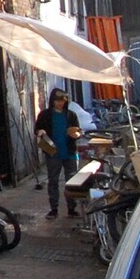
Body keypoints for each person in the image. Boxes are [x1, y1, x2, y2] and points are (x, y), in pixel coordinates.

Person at [34, 88, 82, 219]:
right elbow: (37, 128)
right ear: (52, 101)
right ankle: (53, 209)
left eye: (62, 100)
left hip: (70, 152)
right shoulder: (45, 115)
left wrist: (76, 134)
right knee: (53, 181)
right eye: (57, 100)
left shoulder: (71, 115)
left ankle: (72, 208)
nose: (60, 103)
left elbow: (78, 130)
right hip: (53, 152)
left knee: (72, 181)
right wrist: (41, 132)